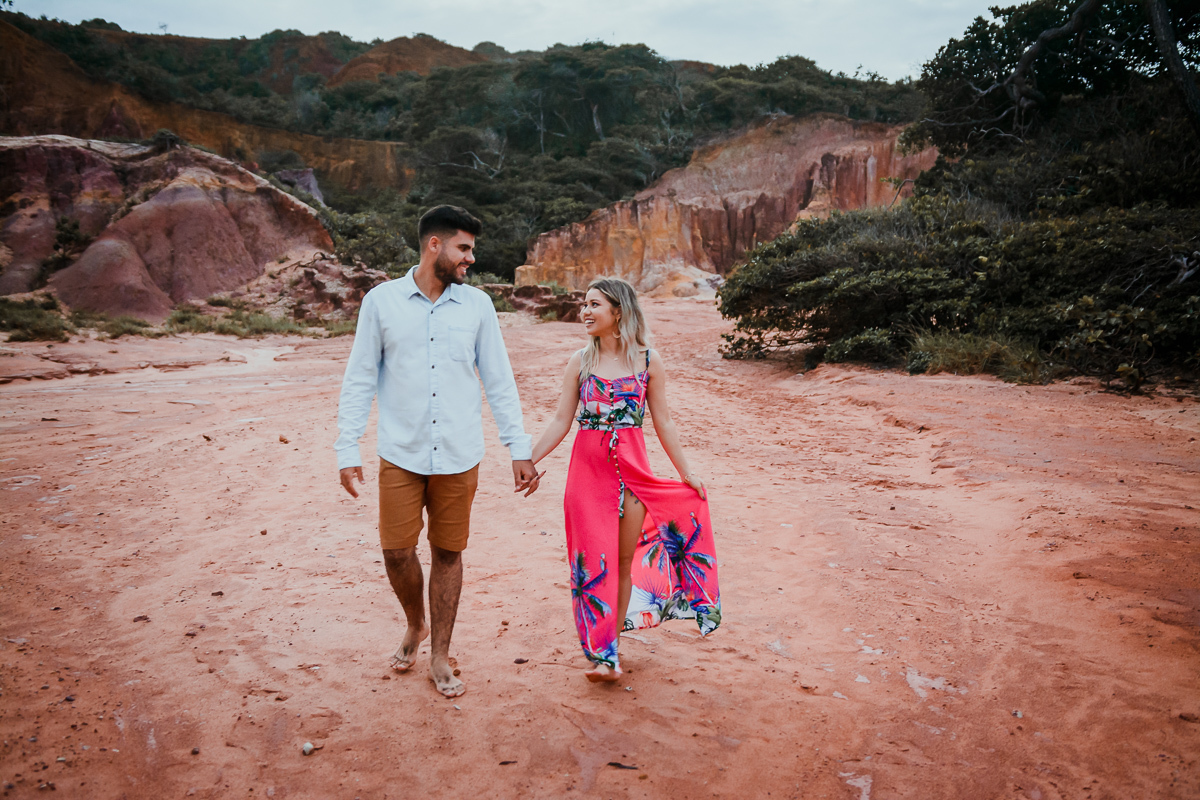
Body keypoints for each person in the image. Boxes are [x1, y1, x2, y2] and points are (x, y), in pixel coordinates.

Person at [335, 204, 540, 698]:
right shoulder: (380, 302)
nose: (471, 258)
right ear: (435, 245)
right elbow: (360, 376)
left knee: (449, 553)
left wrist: (520, 447)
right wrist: (347, 445)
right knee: (396, 552)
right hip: (400, 453)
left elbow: (499, 380)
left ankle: (441, 654)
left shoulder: (478, 307)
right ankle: (415, 623)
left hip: (458, 453)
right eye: (464, 248)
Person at [531, 277, 721, 682]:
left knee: (619, 561)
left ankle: (607, 651)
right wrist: (527, 460)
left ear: (618, 310)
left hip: (633, 472)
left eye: (593, 304)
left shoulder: (648, 360)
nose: (584, 311)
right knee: (590, 560)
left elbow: (663, 421)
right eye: (584, 304)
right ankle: (601, 648)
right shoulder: (579, 361)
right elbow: (561, 421)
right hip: (587, 474)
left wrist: (688, 472)